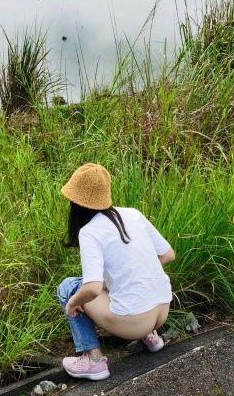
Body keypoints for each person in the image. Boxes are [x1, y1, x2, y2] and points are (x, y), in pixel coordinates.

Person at [57, 162, 175, 381]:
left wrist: (72, 304)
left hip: (134, 322)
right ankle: (151, 337)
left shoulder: (89, 231)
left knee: (69, 287)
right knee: (115, 281)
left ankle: (93, 361)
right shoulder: (133, 214)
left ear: (75, 202)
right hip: (162, 311)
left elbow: (92, 288)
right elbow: (168, 254)